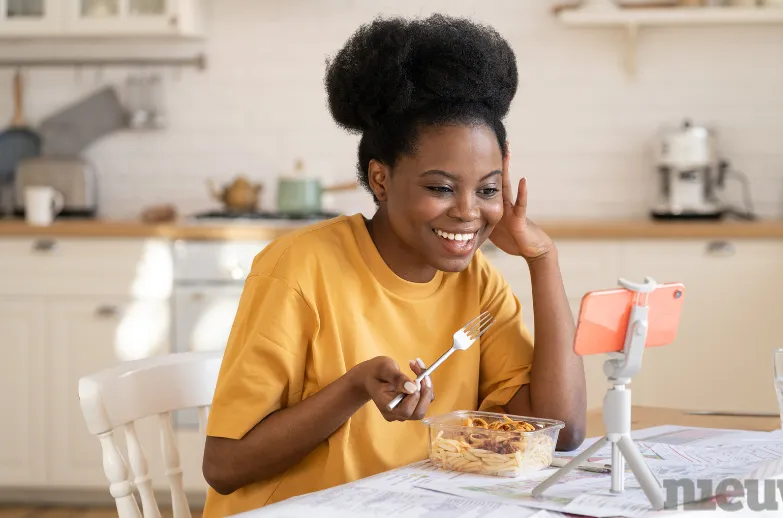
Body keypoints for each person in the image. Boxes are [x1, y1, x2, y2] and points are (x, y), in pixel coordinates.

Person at [200, 13, 586, 517]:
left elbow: (561, 431)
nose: (469, 211)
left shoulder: (478, 282)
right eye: (441, 187)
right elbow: (224, 467)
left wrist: (543, 259)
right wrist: (354, 388)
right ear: (380, 180)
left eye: (488, 189)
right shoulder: (298, 269)